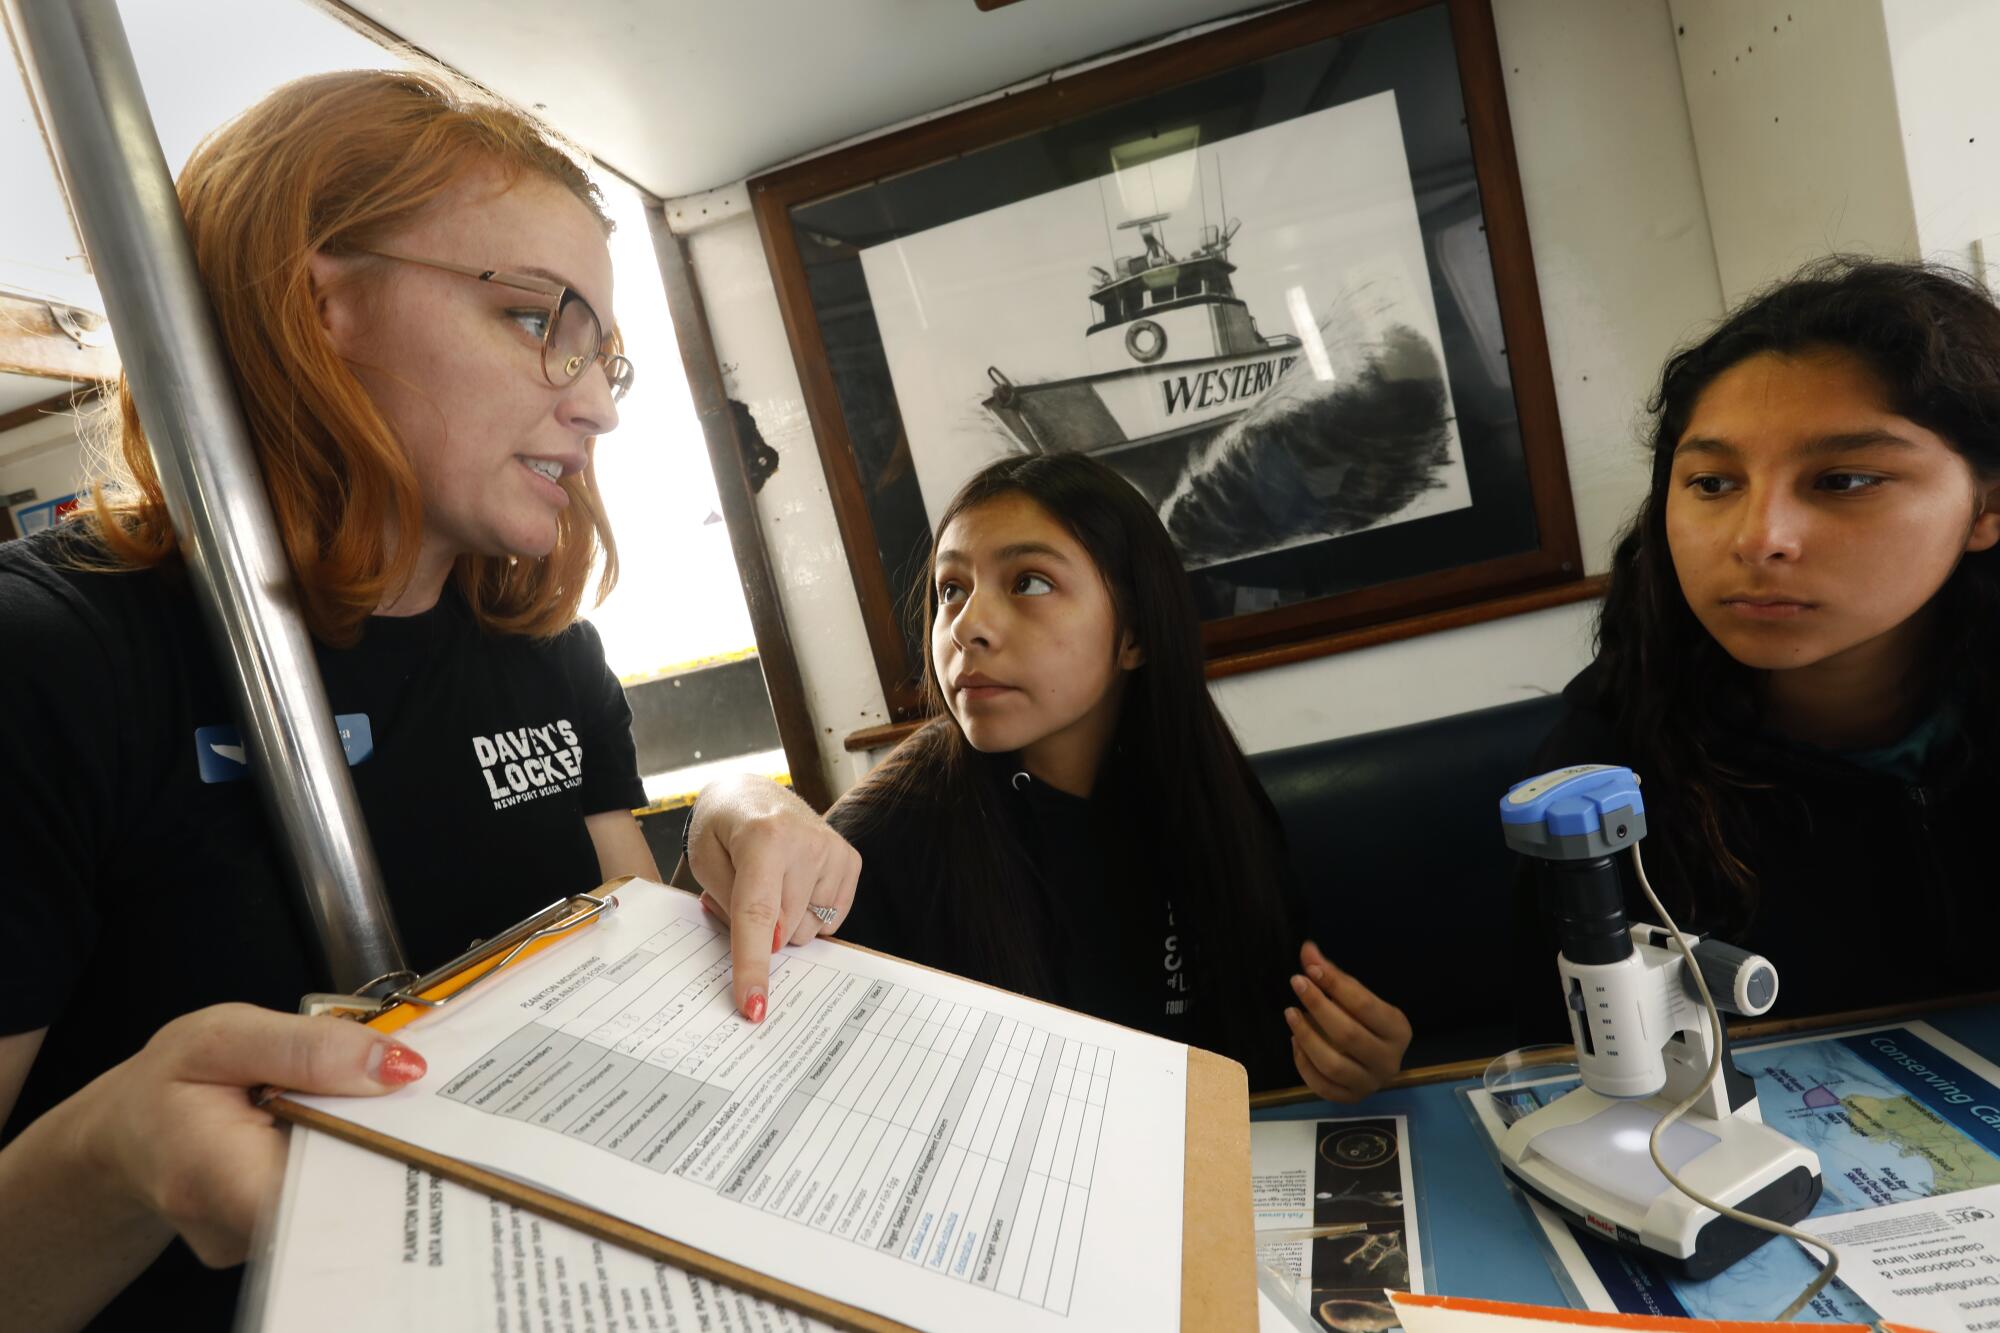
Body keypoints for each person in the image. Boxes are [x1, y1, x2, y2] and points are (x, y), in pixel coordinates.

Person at [0, 69, 857, 1331]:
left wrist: (731, 821)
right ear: (320, 303)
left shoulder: (543, 652)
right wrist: (112, 1156)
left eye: (606, 354)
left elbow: (624, 977)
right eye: (534, 320)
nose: (600, 403)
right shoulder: (50, 660)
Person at [1514, 257, 2000, 1042]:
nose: (1758, 538)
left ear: (1988, 504)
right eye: (1712, 483)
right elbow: (1572, 1046)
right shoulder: (1611, 757)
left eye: (1842, 480)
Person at [827, 453, 1412, 1096]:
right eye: (951, 590)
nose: (966, 628)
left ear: (1133, 634)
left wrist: (1358, 1065)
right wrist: (734, 811)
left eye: (1028, 583)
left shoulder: (1206, 794)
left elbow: (1269, 1043)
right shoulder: (892, 831)